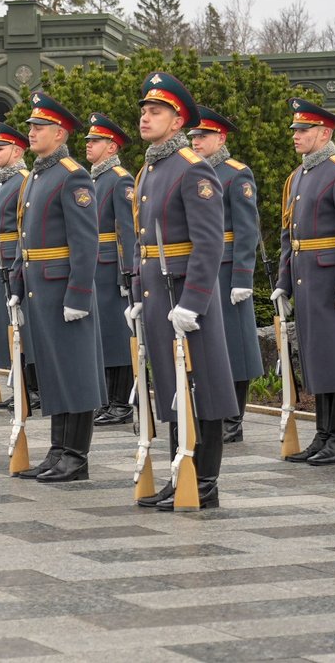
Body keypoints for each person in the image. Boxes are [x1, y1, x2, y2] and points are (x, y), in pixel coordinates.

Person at [132, 72, 236, 509]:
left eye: (156, 112)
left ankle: (204, 480)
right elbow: (143, 240)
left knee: (202, 386)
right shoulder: (151, 168)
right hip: (160, 293)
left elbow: (209, 242)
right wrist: (139, 294)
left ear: (177, 122)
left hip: (186, 297)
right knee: (175, 388)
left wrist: (193, 301)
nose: (145, 117)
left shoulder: (194, 169)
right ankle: (181, 472)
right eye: (144, 111)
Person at [11, 92, 105, 482]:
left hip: (63, 287)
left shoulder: (72, 174)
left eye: (39, 127)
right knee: (52, 370)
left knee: (75, 371)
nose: (31, 133)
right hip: (39, 287)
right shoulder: (37, 173)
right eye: (31, 127)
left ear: (60, 132)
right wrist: (17, 282)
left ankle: (76, 455)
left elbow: (85, 240)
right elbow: (23, 235)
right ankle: (56, 449)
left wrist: (79, 293)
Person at [275, 97, 335, 467]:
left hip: (332, 281)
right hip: (307, 279)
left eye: (303, 130)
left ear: (324, 132)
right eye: (295, 130)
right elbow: (291, 235)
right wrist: (284, 282)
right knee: (319, 359)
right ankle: (323, 434)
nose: (296, 136)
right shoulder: (300, 175)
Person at [189, 108, 263, 441]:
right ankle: (215, 413)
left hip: (228, 267)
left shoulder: (236, 174)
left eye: (202, 136)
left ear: (221, 138)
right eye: (193, 136)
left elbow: (248, 229)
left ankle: (233, 420)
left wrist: (243, 278)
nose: (196, 141)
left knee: (235, 345)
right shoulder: (192, 172)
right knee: (209, 345)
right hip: (201, 267)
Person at [85, 112, 140, 427]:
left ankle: (120, 403)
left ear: (112, 145)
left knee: (118, 337)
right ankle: (106, 399)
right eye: (89, 140)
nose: (89, 145)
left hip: (111, 268)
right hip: (96, 266)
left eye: (96, 141)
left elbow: (128, 230)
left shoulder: (120, 179)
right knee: (102, 337)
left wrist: (128, 273)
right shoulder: (95, 178)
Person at [0, 123, 28, 409]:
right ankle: (20, 386)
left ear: (16, 150)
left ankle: (30, 388)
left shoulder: (24, 180)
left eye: (0, 148)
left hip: (13, 259)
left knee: (22, 327)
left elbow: (25, 227)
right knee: (7, 326)